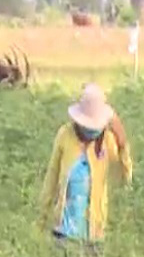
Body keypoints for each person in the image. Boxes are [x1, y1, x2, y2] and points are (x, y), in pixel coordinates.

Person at [39, 83, 132, 248]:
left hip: (94, 236)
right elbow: (51, 177)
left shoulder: (108, 141)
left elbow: (124, 178)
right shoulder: (65, 135)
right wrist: (43, 217)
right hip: (64, 233)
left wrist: (123, 143)